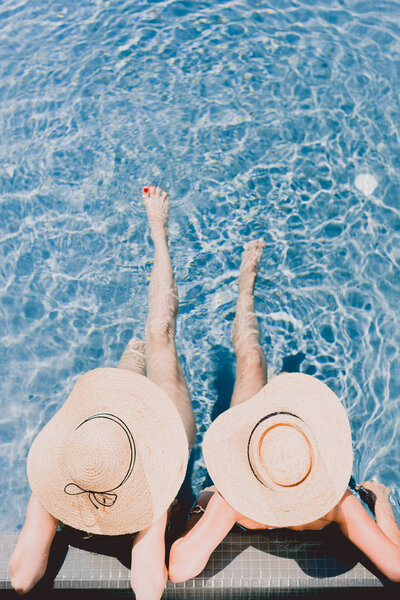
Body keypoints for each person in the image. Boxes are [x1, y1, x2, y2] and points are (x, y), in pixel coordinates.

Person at [169, 239, 400, 584]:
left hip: (255, 459)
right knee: (252, 359)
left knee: (252, 363)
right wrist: (380, 499)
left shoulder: (242, 500)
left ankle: (247, 289)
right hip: (253, 455)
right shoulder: (331, 502)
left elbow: (180, 569)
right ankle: (244, 289)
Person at [9, 185, 196, 600]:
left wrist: (47, 497)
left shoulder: (64, 479)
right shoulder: (147, 489)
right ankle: (159, 242)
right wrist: (156, 507)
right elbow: (148, 589)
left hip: (111, 431)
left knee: (146, 344)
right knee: (161, 335)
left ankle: (158, 236)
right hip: (159, 436)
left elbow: (23, 579)